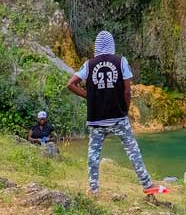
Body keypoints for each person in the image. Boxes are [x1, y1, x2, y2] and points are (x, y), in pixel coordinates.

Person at [68, 30, 169, 195]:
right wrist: (125, 109)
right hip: (117, 116)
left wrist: (90, 97)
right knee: (132, 150)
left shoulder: (89, 64)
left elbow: (71, 84)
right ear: (112, 44)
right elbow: (127, 91)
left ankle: (93, 188)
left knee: (93, 154)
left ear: (96, 46)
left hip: (96, 118)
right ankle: (147, 185)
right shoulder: (121, 62)